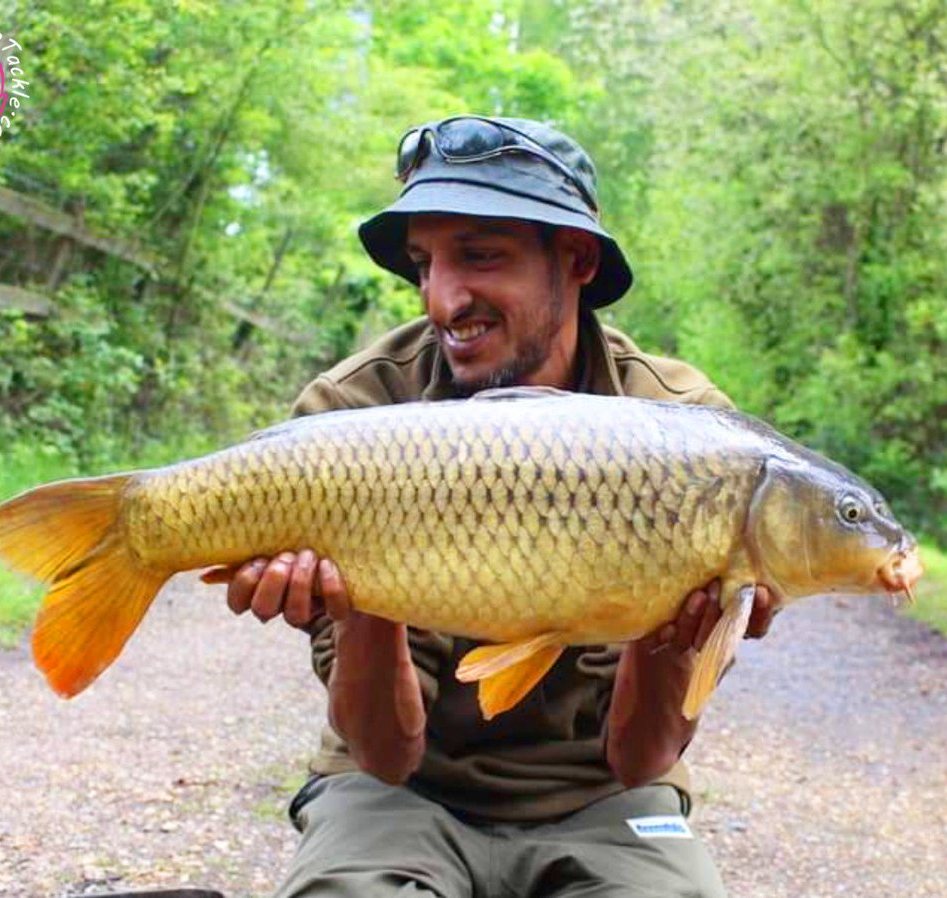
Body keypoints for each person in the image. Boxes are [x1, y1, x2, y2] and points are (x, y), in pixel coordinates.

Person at [207, 116, 777, 897]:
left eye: (478, 256)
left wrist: (677, 633)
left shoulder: (685, 437)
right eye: (423, 265)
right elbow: (385, 752)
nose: (443, 300)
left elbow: (640, 760)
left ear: (575, 258)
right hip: (396, 790)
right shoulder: (357, 412)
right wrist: (363, 593)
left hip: (603, 796)